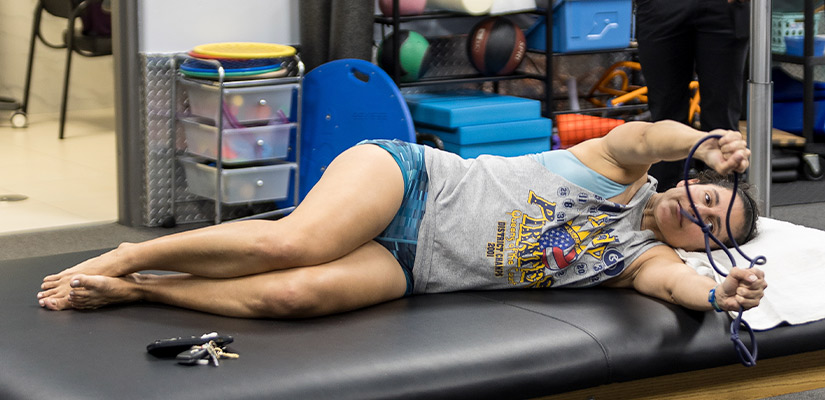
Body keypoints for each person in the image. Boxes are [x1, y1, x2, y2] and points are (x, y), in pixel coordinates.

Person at [37, 120, 766, 319]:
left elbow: (679, 288)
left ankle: (144, 291)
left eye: (713, 223)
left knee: (291, 295)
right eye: (707, 195)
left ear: (707, 245)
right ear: (693, 179)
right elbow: (652, 134)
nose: (698, 210)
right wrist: (704, 140)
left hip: (415, 267)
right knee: (296, 243)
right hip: (412, 182)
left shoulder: (638, 260)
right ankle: (130, 255)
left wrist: (720, 295)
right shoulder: (621, 167)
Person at [635, 0, 751, 190]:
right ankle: (661, 198)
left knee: (722, 117)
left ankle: (723, 200)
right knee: (665, 115)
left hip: (723, 9)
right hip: (661, 8)